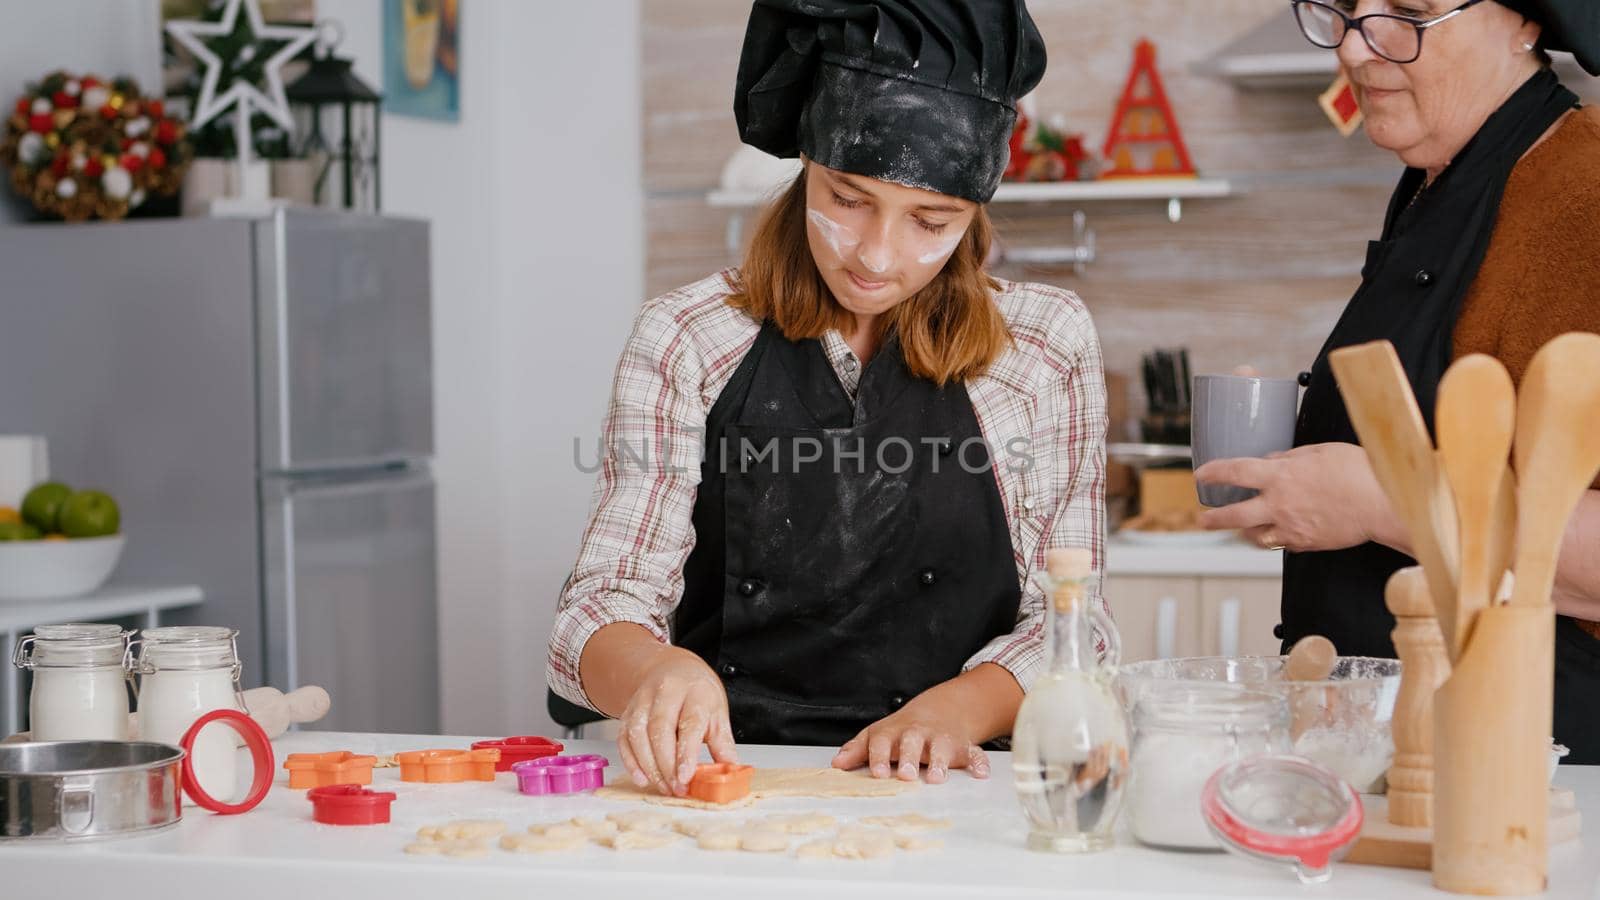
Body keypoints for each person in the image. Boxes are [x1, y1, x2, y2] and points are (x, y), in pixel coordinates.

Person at [547, 0, 1111, 797]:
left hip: (957, 782)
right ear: (805, 166)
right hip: (729, 779)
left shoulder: (1045, 345)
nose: (877, 256)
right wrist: (653, 669)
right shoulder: (686, 335)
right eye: (848, 200)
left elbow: (1075, 622)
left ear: (974, 215)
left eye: (930, 220)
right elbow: (598, 604)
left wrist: (955, 711)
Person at [1196, 0, 1600, 762]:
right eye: (1344, 10)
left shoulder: (1586, 195)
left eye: (1408, 14)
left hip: (1538, 772)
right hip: (1408, 752)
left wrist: (1379, 499)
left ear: (1527, 22)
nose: (1355, 48)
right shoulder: (1442, 181)